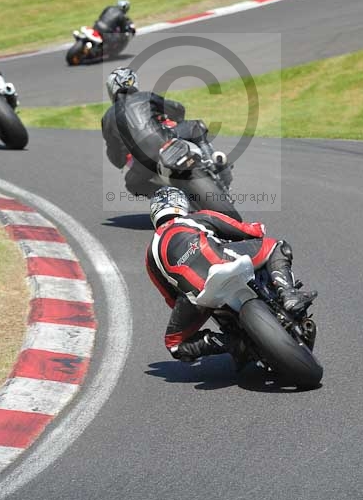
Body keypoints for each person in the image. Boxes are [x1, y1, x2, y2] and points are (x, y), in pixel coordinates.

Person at [145, 187, 318, 364]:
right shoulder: (195, 218)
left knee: (175, 344)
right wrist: (258, 229)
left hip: (198, 296)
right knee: (276, 246)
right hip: (223, 261)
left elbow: (170, 298)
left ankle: (233, 344)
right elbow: (247, 231)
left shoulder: (150, 255)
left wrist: (191, 303)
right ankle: (288, 293)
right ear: (181, 204)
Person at [102, 67, 228, 198]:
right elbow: (177, 109)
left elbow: (115, 156)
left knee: (132, 185)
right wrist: (172, 119)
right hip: (165, 140)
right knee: (196, 126)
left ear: (112, 88)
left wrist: (125, 157)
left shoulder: (107, 118)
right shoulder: (145, 96)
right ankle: (211, 163)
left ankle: (165, 198)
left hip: (143, 162)